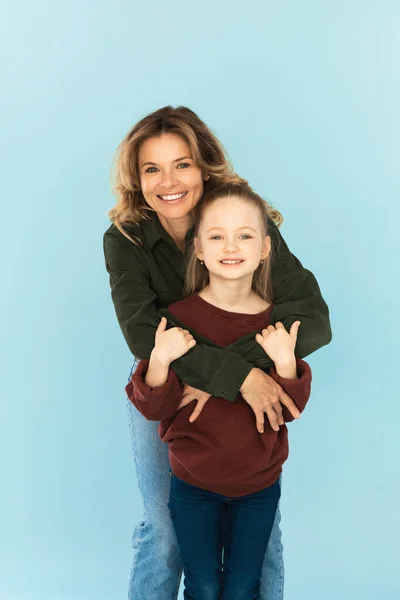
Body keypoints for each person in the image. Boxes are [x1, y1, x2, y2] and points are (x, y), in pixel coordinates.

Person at [103, 105, 331, 600]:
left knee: (261, 537)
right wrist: (233, 376)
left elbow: (311, 318)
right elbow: (143, 337)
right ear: (136, 178)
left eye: (182, 163)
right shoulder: (124, 239)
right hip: (164, 384)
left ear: (203, 165)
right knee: (164, 529)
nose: (169, 180)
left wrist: (243, 373)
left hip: (252, 381)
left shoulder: (241, 220)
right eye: (152, 168)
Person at [126, 182, 313, 599]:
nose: (231, 246)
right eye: (216, 236)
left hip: (258, 486)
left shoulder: (274, 325)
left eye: (244, 235)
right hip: (193, 485)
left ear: (266, 248)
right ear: (198, 249)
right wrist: (159, 361)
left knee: (245, 584)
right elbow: (155, 407)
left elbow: (288, 409)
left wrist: (284, 363)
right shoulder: (177, 321)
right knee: (205, 586)